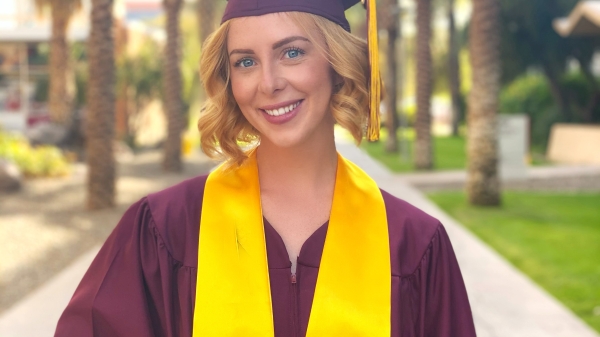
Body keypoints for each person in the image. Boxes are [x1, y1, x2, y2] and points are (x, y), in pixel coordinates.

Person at [55, 0, 477, 336]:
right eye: (245, 61)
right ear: (228, 79)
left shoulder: (412, 245)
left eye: (292, 52)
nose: (268, 83)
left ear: (337, 63)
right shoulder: (167, 230)